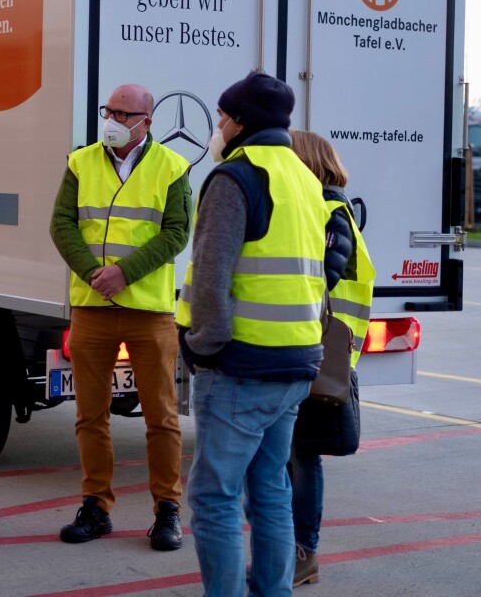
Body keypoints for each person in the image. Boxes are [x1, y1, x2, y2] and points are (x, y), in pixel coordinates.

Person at [176, 71, 329, 597]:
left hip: (241, 367)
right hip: (295, 364)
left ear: (240, 123)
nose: (216, 126)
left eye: (221, 117)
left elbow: (212, 277)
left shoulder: (235, 178)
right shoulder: (306, 179)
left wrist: (201, 348)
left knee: (214, 497)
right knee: (270, 492)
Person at [49, 83, 192, 551]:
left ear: (146, 123)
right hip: (92, 307)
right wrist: (93, 273)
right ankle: (96, 507)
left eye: (121, 113)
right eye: (107, 110)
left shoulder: (172, 168)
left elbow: (177, 233)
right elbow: (61, 224)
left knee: (162, 417)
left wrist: (124, 273)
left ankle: (167, 510)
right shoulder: (81, 161)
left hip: (149, 311)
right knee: (90, 415)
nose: (109, 119)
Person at [286, 130, 376, 587]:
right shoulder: (326, 209)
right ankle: (295, 552)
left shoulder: (329, 212)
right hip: (316, 350)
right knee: (293, 454)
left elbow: (319, 278)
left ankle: (304, 553)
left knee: (302, 454)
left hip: (319, 353)